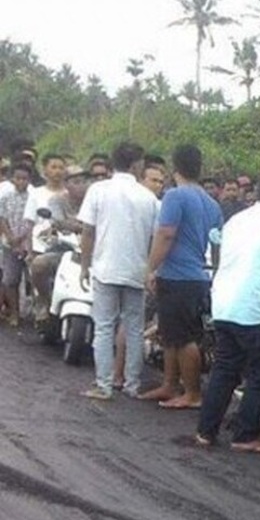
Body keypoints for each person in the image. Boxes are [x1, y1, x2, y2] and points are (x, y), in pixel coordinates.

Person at [195, 168, 260, 452]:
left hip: (225, 306)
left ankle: (205, 431)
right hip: (257, 310)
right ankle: (245, 434)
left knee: (224, 370)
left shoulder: (237, 220)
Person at [140, 145, 224, 410]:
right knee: (170, 333)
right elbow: (217, 243)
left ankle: (192, 392)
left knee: (184, 337)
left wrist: (151, 267)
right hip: (197, 275)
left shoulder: (175, 197)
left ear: (174, 168)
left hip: (178, 276)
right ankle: (169, 383)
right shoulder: (212, 204)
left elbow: (166, 233)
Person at [78, 142, 159, 400]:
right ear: (136, 165)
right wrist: (150, 269)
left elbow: (88, 231)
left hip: (105, 267)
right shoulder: (149, 198)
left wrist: (84, 265)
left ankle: (103, 384)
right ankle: (132, 384)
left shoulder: (98, 190)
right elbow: (155, 239)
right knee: (134, 328)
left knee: (103, 326)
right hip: (136, 269)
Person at [27, 164, 88, 322]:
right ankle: (43, 300)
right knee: (39, 264)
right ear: (66, 184)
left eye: (84, 181)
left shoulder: (95, 200)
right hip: (66, 247)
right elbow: (59, 221)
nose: (81, 185)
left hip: (92, 250)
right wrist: (81, 226)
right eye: (76, 182)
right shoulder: (57, 200)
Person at [0, 163, 32, 324]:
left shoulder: (34, 197)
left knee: (31, 279)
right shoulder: (5, 197)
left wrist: (22, 237)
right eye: (18, 178)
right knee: (10, 280)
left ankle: (35, 314)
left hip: (29, 244)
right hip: (9, 244)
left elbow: (33, 220)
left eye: (24, 178)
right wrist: (11, 237)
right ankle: (14, 313)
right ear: (12, 178)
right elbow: (2, 218)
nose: (21, 181)